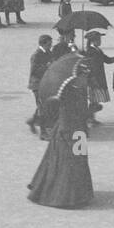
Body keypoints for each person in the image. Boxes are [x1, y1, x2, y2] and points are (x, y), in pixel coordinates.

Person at [28, 57, 94, 209]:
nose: (87, 80)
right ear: (77, 77)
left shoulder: (81, 91)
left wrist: (91, 111)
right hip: (69, 131)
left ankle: (79, 193)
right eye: (85, 77)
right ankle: (67, 196)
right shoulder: (66, 93)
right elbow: (63, 112)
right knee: (69, 163)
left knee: (80, 161)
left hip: (79, 131)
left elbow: (82, 112)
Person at [82, 30, 114, 123]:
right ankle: (88, 117)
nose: (100, 41)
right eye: (98, 39)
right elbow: (90, 66)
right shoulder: (90, 51)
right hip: (94, 78)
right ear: (93, 40)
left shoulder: (97, 50)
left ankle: (91, 118)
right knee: (94, 99)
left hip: (99, 77)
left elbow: (106, 60)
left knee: (95, 100)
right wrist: (92, 79)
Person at [26, 35, 54, 136]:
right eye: (49, 44)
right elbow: (34, 71)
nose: (51, 46)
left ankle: (33, 121)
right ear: (43, 44)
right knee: (43, 108)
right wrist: (46, 66)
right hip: (37, 85)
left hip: (45, 83)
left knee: (43, 105)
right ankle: (43, 133)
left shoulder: (49, 52)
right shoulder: (36, 55)